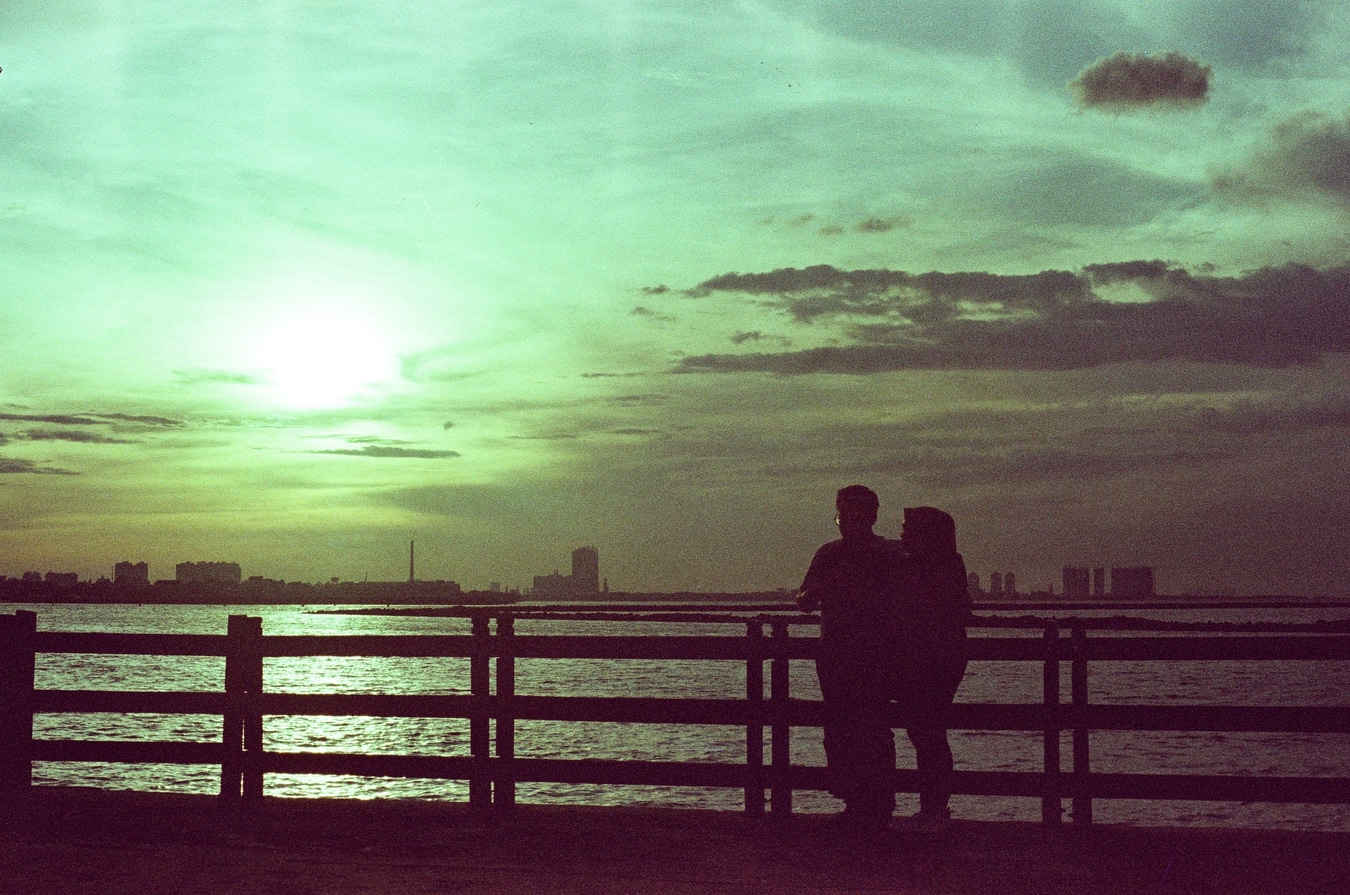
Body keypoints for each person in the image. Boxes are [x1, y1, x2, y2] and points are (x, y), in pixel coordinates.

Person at [796, 485, 903, 832]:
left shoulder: (888, 554)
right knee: (841, 727)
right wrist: (820, 589)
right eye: (841, 513)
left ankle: (877, 802)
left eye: (850, 513)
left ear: (870, 516)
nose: (843, 521)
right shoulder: (828, 554)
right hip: (836, 652)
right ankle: (856, 800)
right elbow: (803, 598)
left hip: (874, 653)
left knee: (870, 726)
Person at [891, 506, 971, 827]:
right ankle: (934, 806)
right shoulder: (949, 565)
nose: (902, 534)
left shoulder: (928, 568)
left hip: (931, 660)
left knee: (928, 733)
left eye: (908, 529)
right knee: (928, 733)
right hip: (936, 657)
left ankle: (934, 807)